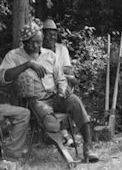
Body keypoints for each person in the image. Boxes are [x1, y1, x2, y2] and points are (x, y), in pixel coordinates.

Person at [0, 19, 99, 163]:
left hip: (54, 95)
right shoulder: (14, 55)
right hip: (35, 100)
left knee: (76, 102)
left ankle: (88, 148)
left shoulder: (50, 55)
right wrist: (28, 65)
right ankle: (65, 153)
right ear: (24, 42)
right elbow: (3, 78)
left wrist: (62, 90)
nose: (36, 46)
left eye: (39, 42)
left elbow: (61, 78)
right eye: (32, 42)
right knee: (52, 124)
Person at [42, 19, 75, 147]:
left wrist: (56, 71)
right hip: (47, 88)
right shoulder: (39, 51)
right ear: (43, 35)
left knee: (67, 88)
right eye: (49, 34)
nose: (52, 37)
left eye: (54, 34)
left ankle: (65, 134)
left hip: (61, 84)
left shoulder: (62, 49)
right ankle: (65, 135)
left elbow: (68, 70)